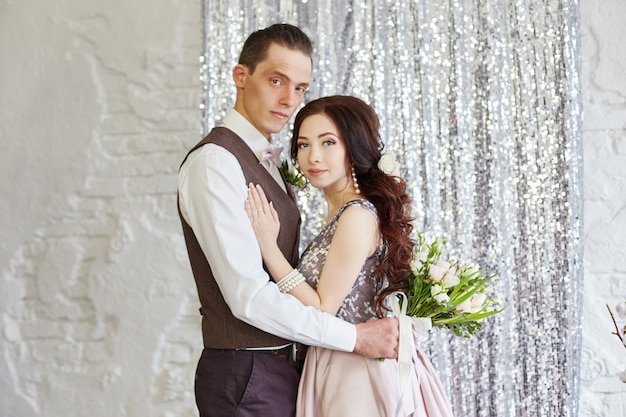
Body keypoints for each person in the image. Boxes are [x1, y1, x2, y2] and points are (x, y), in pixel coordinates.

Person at [177, 24, 399, 417]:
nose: (288, 99)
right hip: (247, 371)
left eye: (299, 88)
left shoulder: (265, 159)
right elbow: (247, 296)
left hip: (284, 369)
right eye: (277, 80)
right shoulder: (215, 163)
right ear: (240, 77)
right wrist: (353, 339)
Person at [245, 95, 454, 416]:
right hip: (337, 362)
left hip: (357, 375)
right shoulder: (342, 213)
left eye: (328, 142)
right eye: (303, 145)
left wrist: (269, 250)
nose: (313, 156)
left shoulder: (357, 215)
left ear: (353, 148)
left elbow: (323, 308)